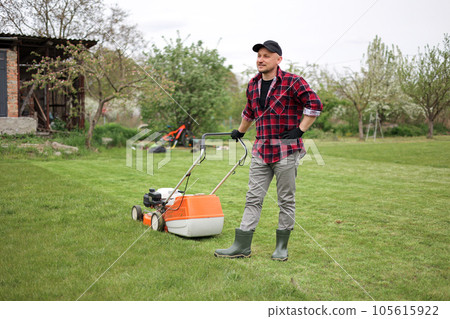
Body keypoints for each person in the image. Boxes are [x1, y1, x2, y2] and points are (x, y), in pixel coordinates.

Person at [214, 40, 323, 261]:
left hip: (286, 151)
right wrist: (241, 131)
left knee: (285, 200)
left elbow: (315, 104)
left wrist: (300, 131)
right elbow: (249, 111)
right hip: (261, 152)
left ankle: (281, 247)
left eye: (266, 55)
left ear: (278, 59)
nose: (260, 60)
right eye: (259, 56)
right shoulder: (253, 84)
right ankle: (241, 246)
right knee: (253, 198)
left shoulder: (293, 82)